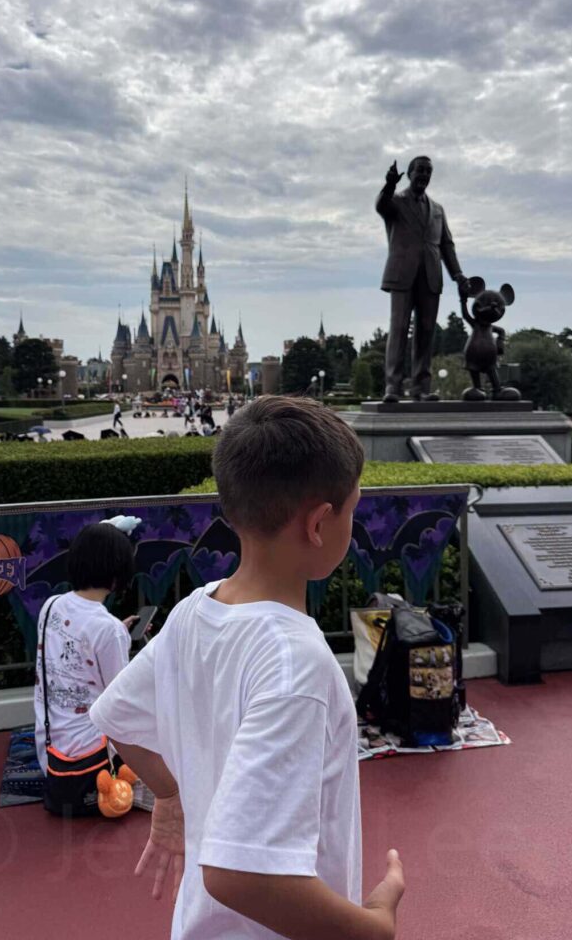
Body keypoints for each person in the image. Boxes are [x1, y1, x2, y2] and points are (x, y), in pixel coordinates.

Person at [89, 397, 405, 939]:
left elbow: (116, 717)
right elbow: (237, 874)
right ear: (320, 523)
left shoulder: (196, 609)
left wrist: (170, 797)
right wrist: (375, 927)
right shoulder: (296, 664)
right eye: (352, 507)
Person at [33, 523, 140, 796]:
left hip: (49, 751)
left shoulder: (51, 606)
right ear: (117, 572)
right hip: (92, 761)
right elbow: (120, 698)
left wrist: (118, 635)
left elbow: (77, 648)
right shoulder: (108, 629)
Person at [376, 156, 469, 401]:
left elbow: (447, 244)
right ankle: (392, 387)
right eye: (420, 170)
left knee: (426, 331)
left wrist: (457, 274)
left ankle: (421, 388)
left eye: (428, 171)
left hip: (430, 275)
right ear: (409, 173)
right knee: (398, 329)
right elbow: (381, 206)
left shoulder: (438, 209)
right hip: (402, 274)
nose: (424, 175)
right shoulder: (396, 201)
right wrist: (389, 184)